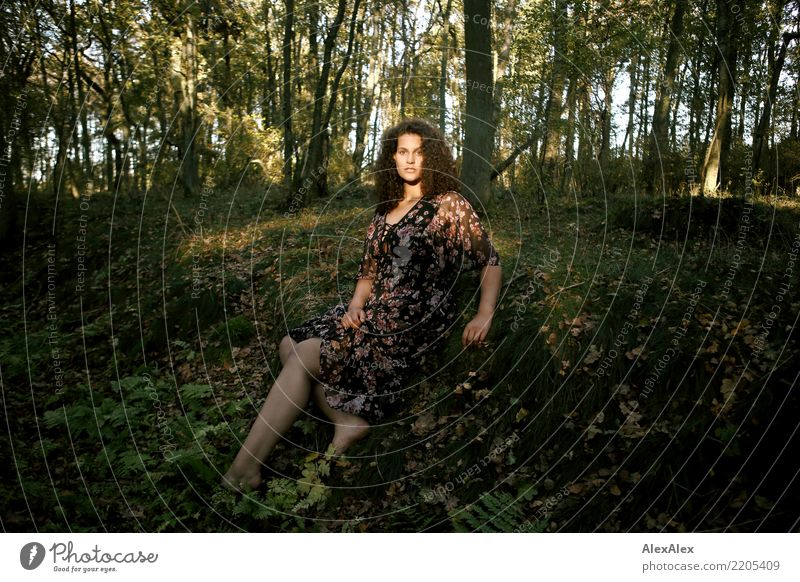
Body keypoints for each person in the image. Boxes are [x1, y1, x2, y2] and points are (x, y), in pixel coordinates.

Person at [222, 117, 502, 491]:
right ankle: (346, 421)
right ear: (392, 157)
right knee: (288, 344)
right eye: (402, 151)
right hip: (373, 312)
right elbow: (368, 273)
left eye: (419, 152)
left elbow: (490, 260)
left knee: (305, 354)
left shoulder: (448, 205)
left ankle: (244, 470)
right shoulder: (383, 212)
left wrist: (485, 313)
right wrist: (355, 306)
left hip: (411, 321)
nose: (410, 160)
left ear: (431, 157)